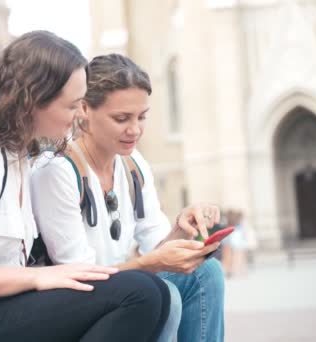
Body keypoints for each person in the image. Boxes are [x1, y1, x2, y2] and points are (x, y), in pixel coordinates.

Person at [0, 31, 170, 342]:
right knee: (138, 293)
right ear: (32, 101)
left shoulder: (18, 156)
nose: (81, 115)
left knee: (155, 292)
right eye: (73, 106)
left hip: (2, 309)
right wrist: (37, 277)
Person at [31, 53, 225, 342]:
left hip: (125, 287)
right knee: (164, 294)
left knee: (206, 272)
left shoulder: (133, 162)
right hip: (70, 302)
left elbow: (155, 245)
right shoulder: (57, 170)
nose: (135, 130)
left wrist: (181, 229)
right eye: (121, 118)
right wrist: (154, 263)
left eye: (141, 117)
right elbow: (81, 275)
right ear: (84, 109)